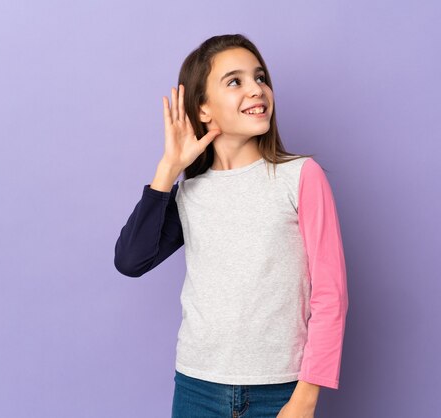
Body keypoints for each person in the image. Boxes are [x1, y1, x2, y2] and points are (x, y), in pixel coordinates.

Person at [114, 33, 348, 418]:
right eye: (235, 81)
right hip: (196, 388)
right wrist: (167, 170)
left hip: (281, 391)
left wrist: (305, 398)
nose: (257, 90)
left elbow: (331, 296)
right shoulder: (190, 194)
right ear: (203, 108)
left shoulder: (301, 177)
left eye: (260, 78)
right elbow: (130, 261)